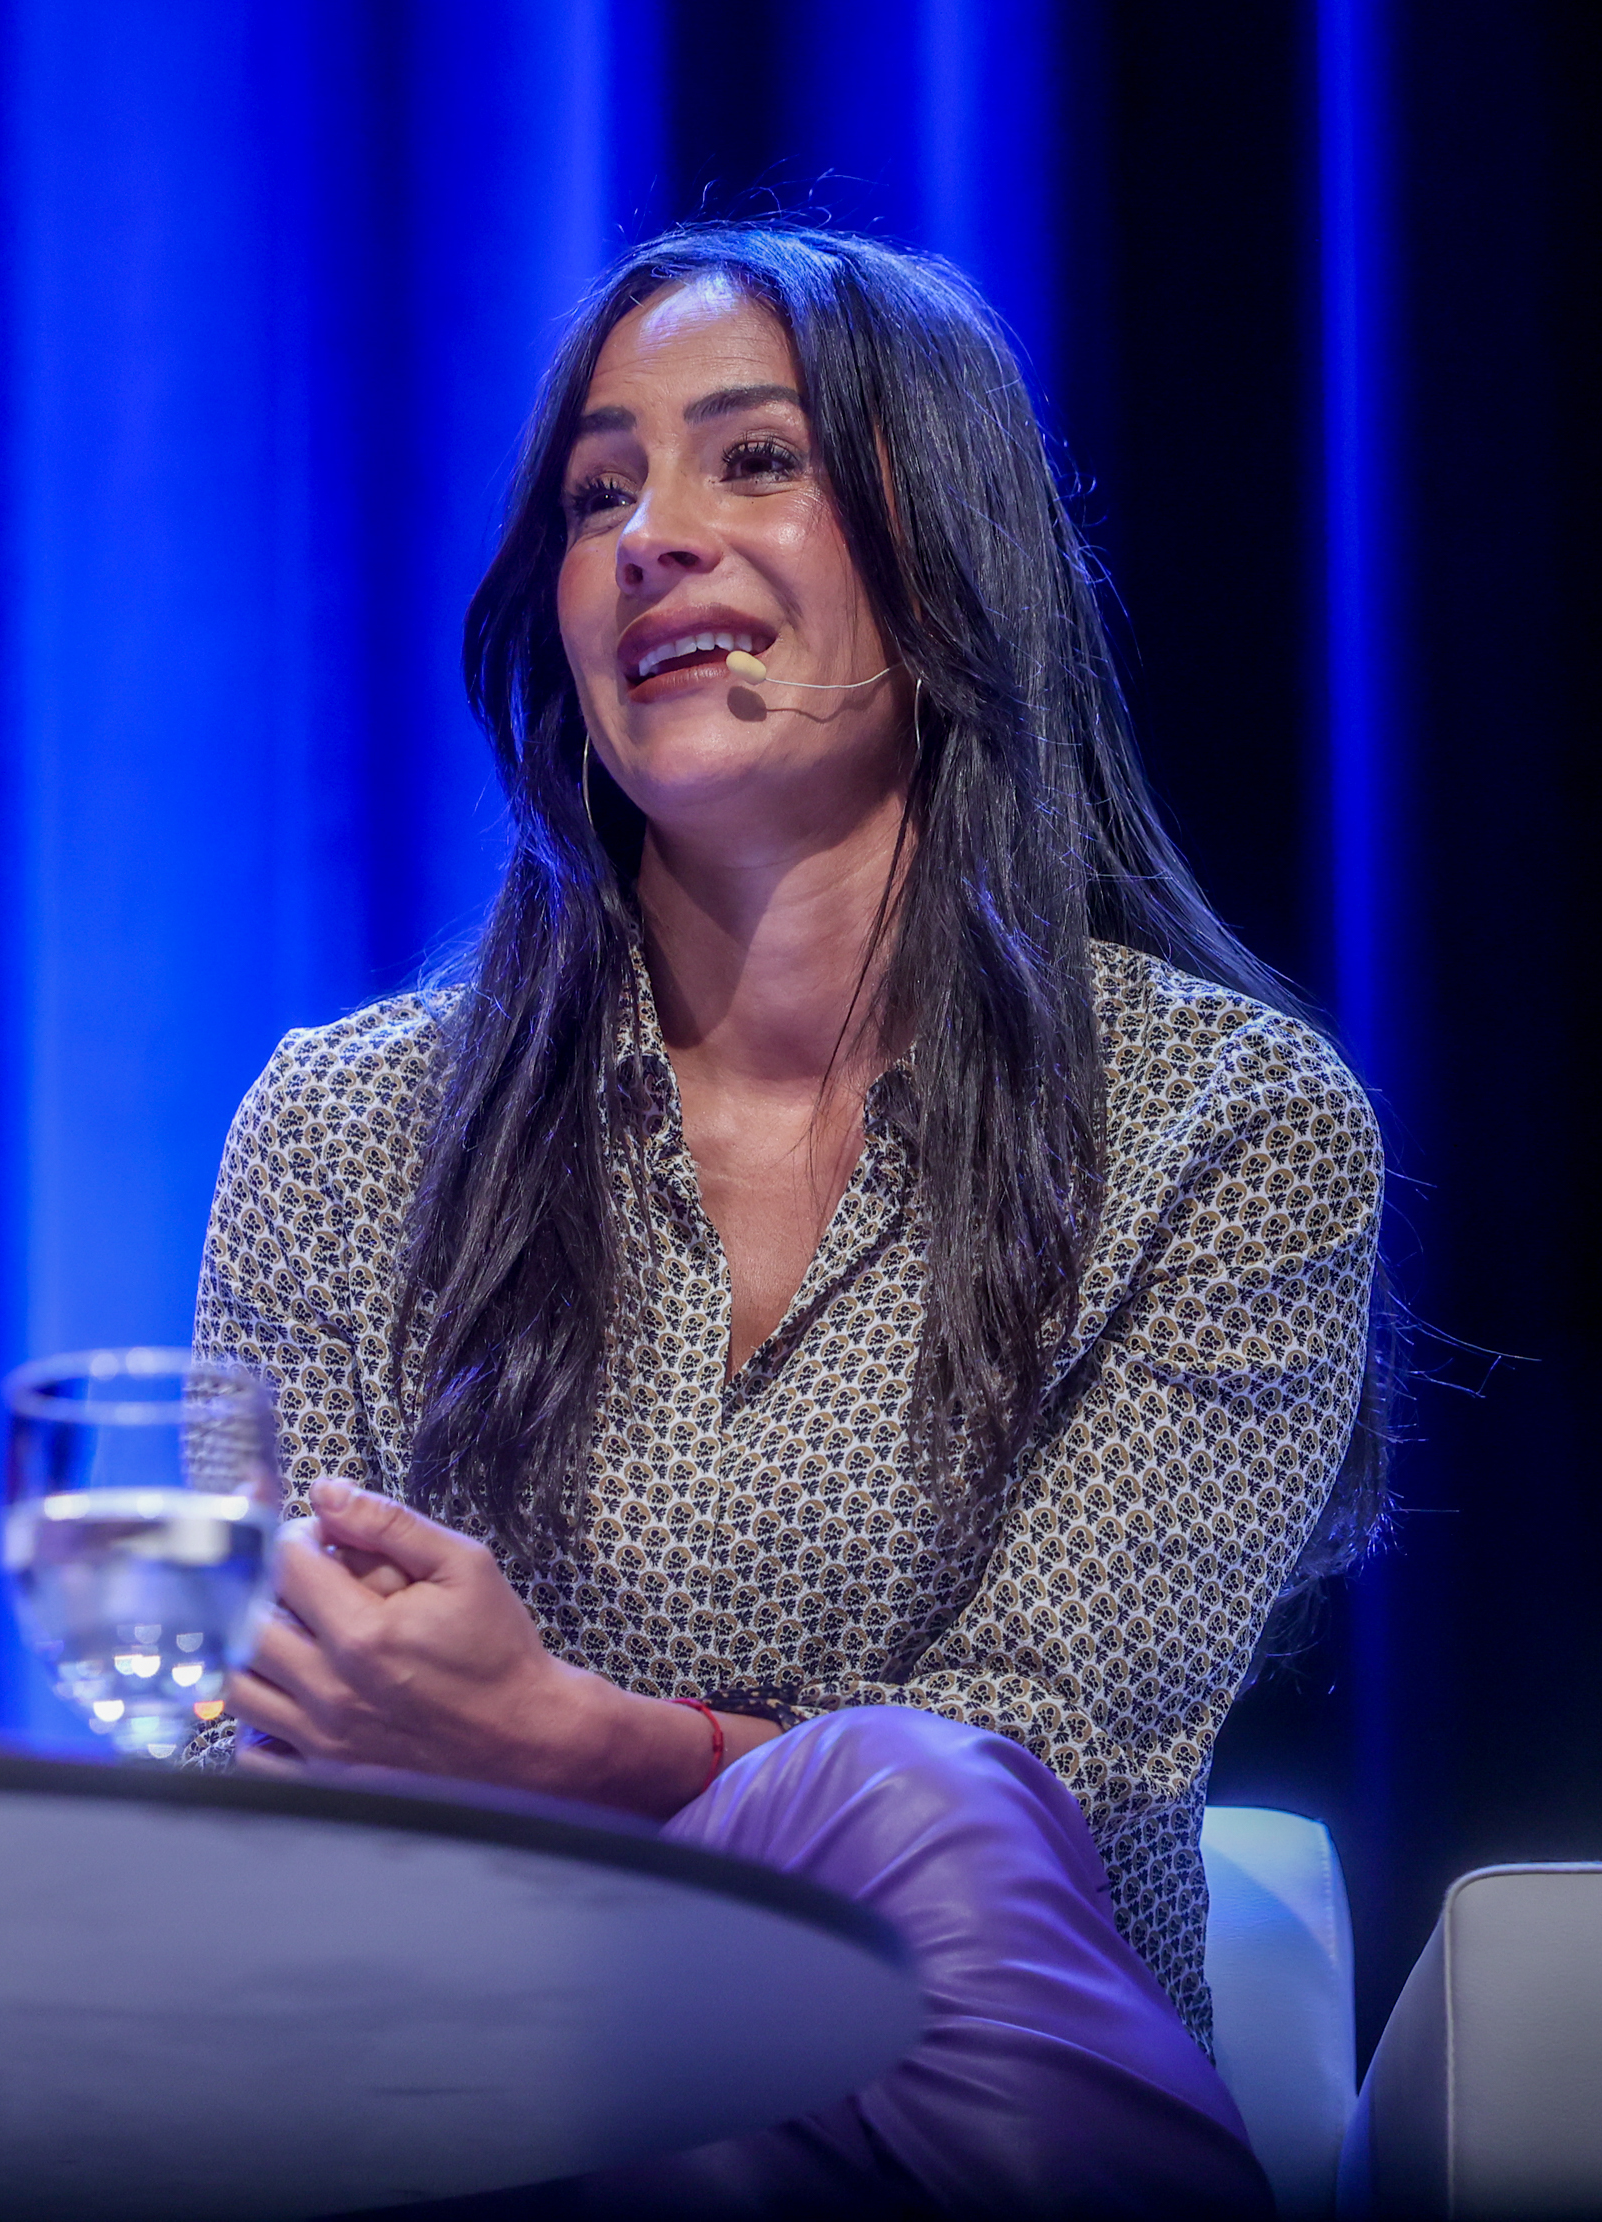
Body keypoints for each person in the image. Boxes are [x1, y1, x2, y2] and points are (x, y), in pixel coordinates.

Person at [191, 221, 1385, 2218]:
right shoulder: (344, 1127)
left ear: (947, 559)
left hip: (967, 2079)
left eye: (751, 460)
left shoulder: (1225, 1123)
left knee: (910, 1806)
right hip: (492, 2056)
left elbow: (1052, 1759)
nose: (653, 534)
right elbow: (265, 1739)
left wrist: (582, 1745)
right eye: (597, 490)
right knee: (676, 2117)